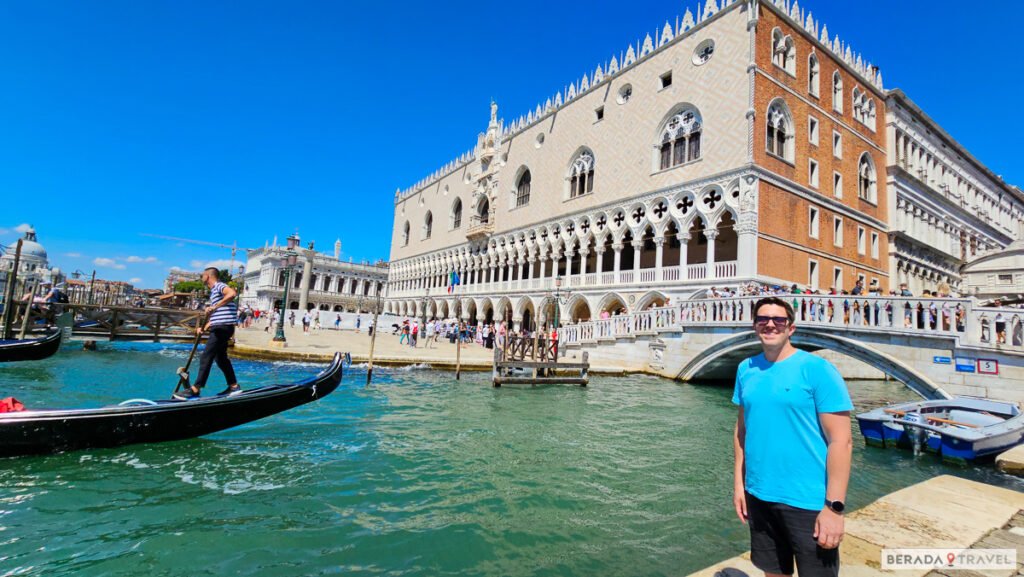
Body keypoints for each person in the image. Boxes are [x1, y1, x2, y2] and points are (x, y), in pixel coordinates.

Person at [732, 296, 852, 576]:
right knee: (772, 572)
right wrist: (739, 485)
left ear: (791, 328)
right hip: (759, 495)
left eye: (778, 320)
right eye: (763, 319)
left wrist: (834, 508)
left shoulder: (817, 369)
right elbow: (741, 431)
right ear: (754, 326)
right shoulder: (745, 369)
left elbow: (842, 441)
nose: (770, 324)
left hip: (808, 501)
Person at [174, 268, 242, 400]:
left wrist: (215, 306)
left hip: (222, 327)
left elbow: (232, 293)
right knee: (220, 358)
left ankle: (195, 389)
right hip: (221, 326)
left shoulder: (219, 286)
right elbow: (215, 315)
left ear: (207, 276)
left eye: (202, 276)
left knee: (206, 356)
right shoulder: (214, 292)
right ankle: (233, 386)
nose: (201, 278)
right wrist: (204, 328)